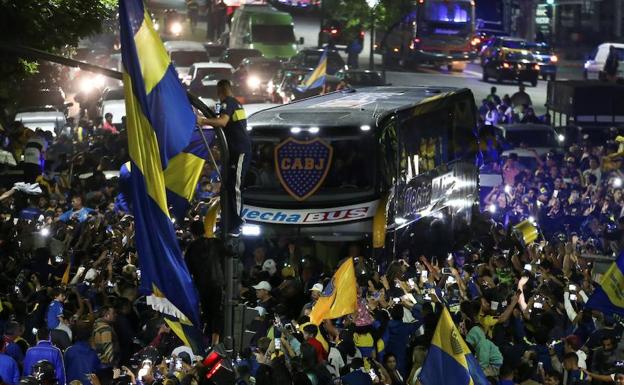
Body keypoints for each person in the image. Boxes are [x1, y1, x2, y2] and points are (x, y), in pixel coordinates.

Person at [197, 79, 251, 236]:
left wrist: (203, 121)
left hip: (240, 150)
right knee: (227, 187)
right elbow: (220, 117)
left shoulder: (229, 102)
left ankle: (237, 223)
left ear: (221, 91)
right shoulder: (233, 104)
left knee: (235, 187)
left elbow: (222, 121)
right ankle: (229, 221)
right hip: (234, 152)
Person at [184, 220, 225, 345]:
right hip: (217, 284)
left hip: (201, 286)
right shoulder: (216, 243)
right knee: (216, 311)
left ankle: (207, 338)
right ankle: (215, 340)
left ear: (192, 233)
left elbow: (187, 269)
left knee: (207, 312)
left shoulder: (191, 248)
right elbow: (229, 253)